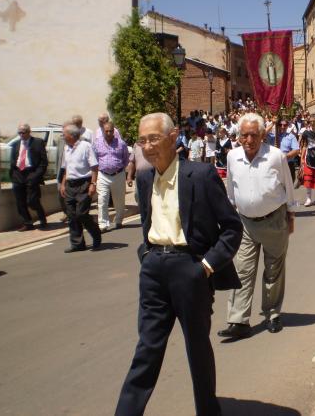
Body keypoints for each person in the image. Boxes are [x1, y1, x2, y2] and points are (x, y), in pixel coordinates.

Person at [115, 113, 242, 416]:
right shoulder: (145, 179)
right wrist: (146, 255)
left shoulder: (200, 175)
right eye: (142, 140)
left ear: (173, 138)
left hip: (191, 270)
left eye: (154, 139)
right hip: (154, 271)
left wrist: (206, 267)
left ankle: (208, 411)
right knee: (147, 349)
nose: (147, 146)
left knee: (197, 348)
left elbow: (232, 227)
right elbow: (147, 223)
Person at [218, 113, 295, 339]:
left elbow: (288, 186)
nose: (249, 140)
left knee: (273, 270)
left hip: (274, 221)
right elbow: (231, 190)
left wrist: (291, 215)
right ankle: (238, 321)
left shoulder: (276, 156)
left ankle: (272, 314)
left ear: (262, 135)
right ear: (238, 136)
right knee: (242, 270)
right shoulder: (232, 157)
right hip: (245, 223)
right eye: (244, 135)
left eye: (254, 135)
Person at [59, 124, 102, 252]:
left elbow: (94, 167)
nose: (62, 136)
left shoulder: (86, 146)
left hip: (84, 183)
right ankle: (77, 243)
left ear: (71, 135)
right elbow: (66, 168)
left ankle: (96, 233)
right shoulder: (66, 148)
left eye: (64, 134)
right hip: (70, 184)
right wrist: (63, 184)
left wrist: (93, 184)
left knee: (81, 213)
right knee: (71, 215)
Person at [10, 123, 48, 231]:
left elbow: (43, 162)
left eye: (23, 132)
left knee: (32, 200)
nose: (21, 135)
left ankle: (42, 218)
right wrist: (13, 175)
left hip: (32, 173)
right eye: (19, 133)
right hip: (18, 174)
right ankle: (28, 223)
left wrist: (36, 175)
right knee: (20, 201)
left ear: (29, 132)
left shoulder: (38, 142)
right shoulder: (15, 144)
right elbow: (13, 160)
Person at [93, 121, 129, 232]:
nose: (108, 133)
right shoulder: (97, 143)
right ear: (103, 131)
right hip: (103, 175)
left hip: (118, 175)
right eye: (106, 131)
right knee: (102, 200)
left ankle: (118, 220)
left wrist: (120, 170)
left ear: (114, 131)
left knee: (119, 200)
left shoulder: (121, 144)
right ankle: (103, 224)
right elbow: (94, 160)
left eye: (110, 131)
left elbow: (126, 159)